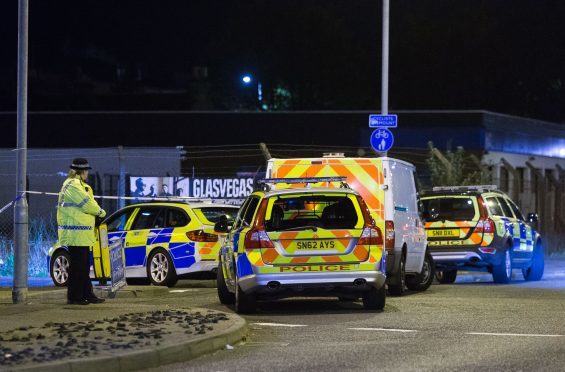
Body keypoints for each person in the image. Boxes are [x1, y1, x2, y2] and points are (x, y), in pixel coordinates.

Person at [57, 158, 107, 305]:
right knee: (79, 267)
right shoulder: (73, 185)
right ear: (82, 171)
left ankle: (86, 294)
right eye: (86, 171)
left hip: (80, 234)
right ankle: (75, 297)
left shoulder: (76, 184)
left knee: (83, 266)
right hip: (76, 234)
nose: (87, 174)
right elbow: (87, 204)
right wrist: (101, 212)